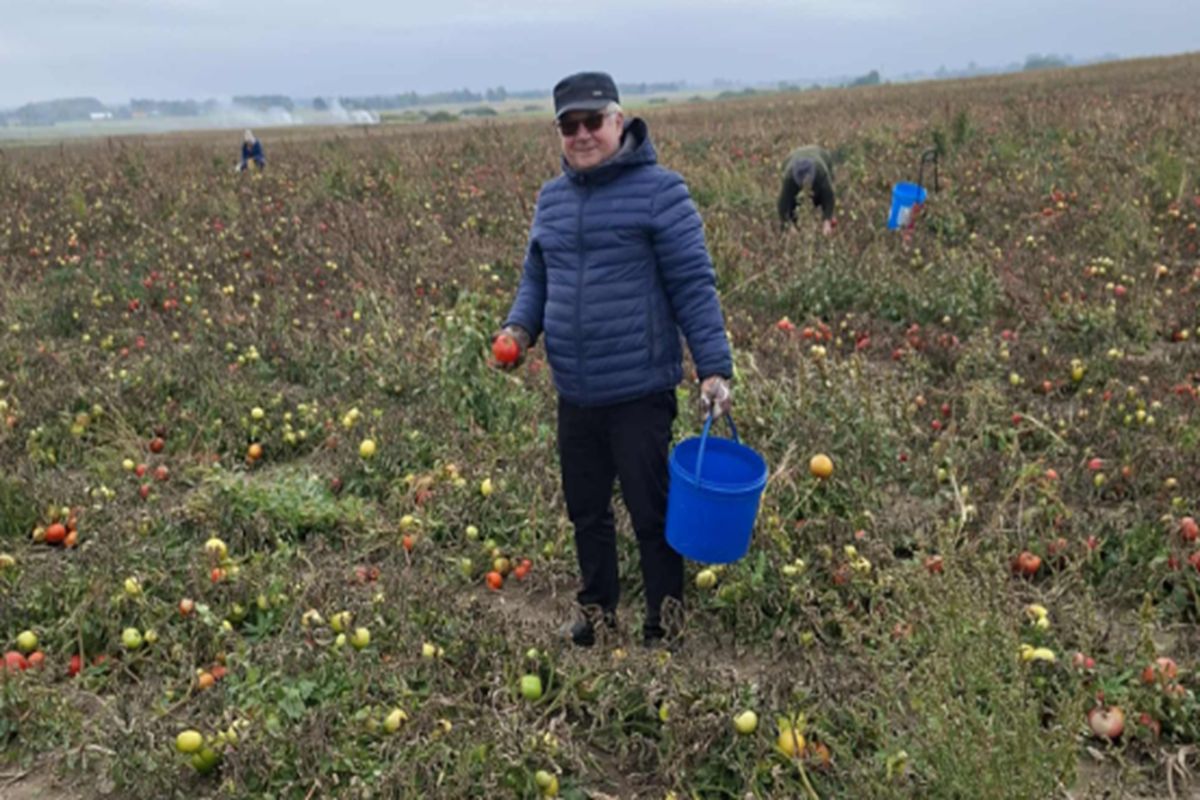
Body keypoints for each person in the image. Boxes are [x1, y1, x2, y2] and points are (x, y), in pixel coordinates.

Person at [492, 71, 733, 650]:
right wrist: (519, 329)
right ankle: (597, 613)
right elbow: (537, 276)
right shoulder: (551, 199)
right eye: (568, 125)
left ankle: (663, 624)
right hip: (576, 389)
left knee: (652, 515)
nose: (581, 135)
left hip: (638, 389)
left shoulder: (661, 191)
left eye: (592, 122)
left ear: (618, 122)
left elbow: (693, 285)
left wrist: (713, 365)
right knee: (587, 513)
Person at [778, 144, 835, 235]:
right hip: (791, 158)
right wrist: (790, 226)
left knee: (822, 199)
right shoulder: (789, 177)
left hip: (819, 154)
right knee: (791, 211)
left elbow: (829, 197)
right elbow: (782, 206)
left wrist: (827, 221)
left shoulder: (820, 171)